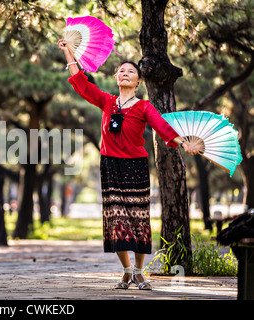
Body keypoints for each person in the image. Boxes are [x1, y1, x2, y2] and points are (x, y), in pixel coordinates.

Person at [58, 39, 198, 290]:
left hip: (136, 167)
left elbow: (161, 126)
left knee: (138, 219)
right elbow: (81, 83)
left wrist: (182, 142)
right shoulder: (107, 102)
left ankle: (139, 271)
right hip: (110, 166)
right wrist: (69, 52)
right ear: (116, 77)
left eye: (130, 71)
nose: (125, 73)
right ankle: (127, 270)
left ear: (138, 82)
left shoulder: (144, 106)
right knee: (116, 219)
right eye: (121, 70)